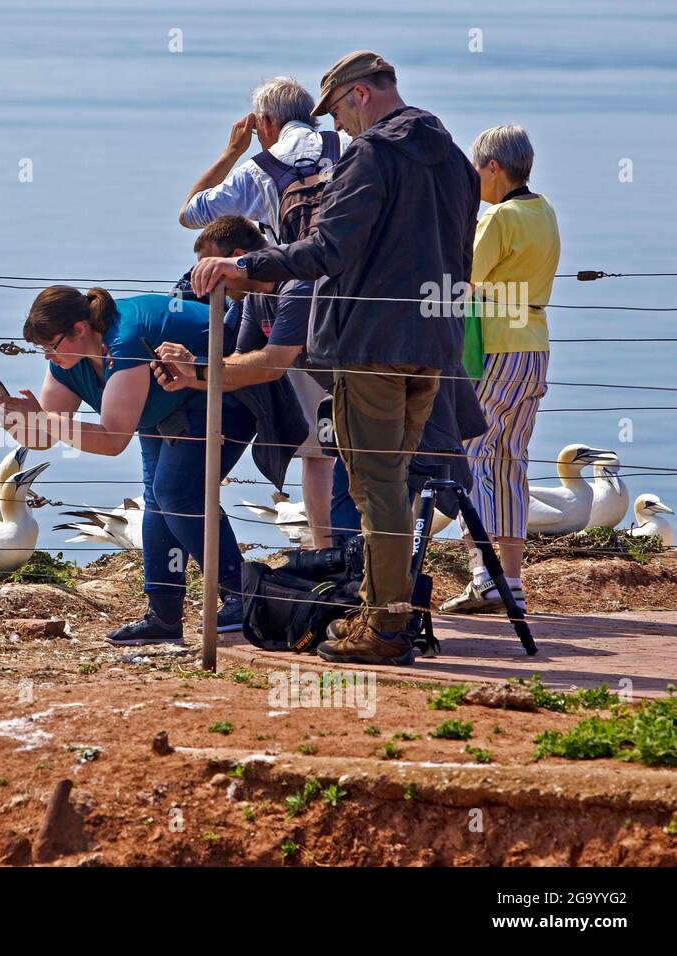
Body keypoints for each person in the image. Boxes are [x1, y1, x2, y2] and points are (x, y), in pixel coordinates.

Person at [191, 51, 481, 666]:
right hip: (434, 344)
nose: (338, 127)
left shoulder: (372, 154)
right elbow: (462, 259)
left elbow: (327, 248)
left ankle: (384, 627)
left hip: (372, 346)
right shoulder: (456, 160)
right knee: (393, 481)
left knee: (375, 485)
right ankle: (379, 612)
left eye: (339, 111)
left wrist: (245, 266)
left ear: (362, 95)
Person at [0, 287, 257, 646]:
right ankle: (164, 617)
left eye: (51, 345)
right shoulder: (65, 362)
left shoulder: (126, 340)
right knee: (157, 499)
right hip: (161, 404)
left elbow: (112, 440)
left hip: (220, 393)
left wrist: (42, 420)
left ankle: (244, 596)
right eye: (42, 349)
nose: (48, 355)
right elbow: (45, 436)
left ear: (79, 329)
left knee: (177, 494)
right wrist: (17, 422)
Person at [158, 216, 333, 547]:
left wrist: (196, 369)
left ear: (236, 256)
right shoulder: (253, 296)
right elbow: (237, 370)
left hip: (359, 381)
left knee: (355, 461)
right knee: (317, 454)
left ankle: (365, 560)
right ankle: (330, 554)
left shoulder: (297, 282)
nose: (208, 286)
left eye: (210, 271)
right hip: (321, 384)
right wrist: (186, 377)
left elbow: (271, 365)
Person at [442, 126, 560, 614]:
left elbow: (461, 278)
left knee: (474, 454)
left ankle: (485, 577)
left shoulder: (497, 218)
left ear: (493, 167)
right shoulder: (544, 211)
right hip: (534, 341)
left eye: (477, 168)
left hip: (496, 347)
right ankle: (510, 581)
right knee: (511, 460)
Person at [179, 76, 342, 237]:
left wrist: (232, 151)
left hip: (303, 261)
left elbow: (189, 214)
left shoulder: (257, 171)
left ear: (265, 121)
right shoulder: (350, 142)